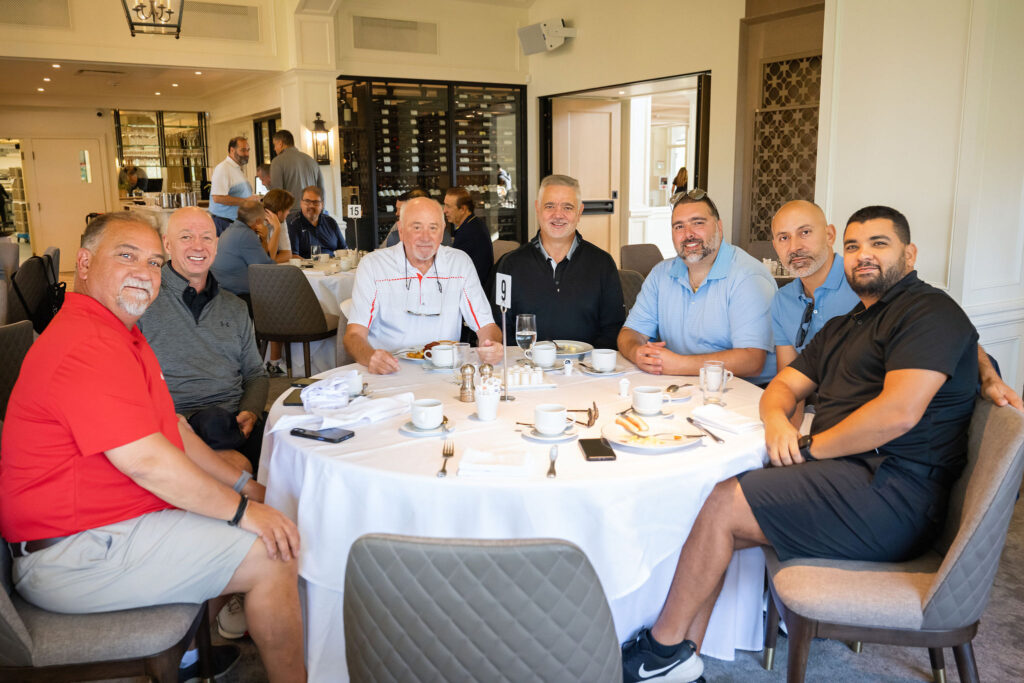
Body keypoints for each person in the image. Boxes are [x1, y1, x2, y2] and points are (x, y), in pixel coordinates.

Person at [620, 206, 981, 683]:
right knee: (720, 506)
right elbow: (783, 386)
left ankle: (661, 649)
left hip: (896, 495)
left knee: (722, 504)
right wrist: (777, 423)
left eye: (878, 244)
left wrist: (809, 447)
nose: (863, 255)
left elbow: (898, 414)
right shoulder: (849, 324)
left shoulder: (928, 311)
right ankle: (681, 659)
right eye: (853, 246)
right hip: (853, 478)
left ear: (909, 255)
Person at [0, 212, 306, 683]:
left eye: (154, 262)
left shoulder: (119, 333)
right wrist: (245, 512)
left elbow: (174, 432)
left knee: (257, 520)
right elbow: (147, 461)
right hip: (72, 552)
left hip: (107, 529)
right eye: (127, 256)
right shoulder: (86, 342)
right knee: (273, 553)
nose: (144, 272)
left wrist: (248, 488)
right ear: (85, 263)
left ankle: (185, 658)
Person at [771, 200, 1023, 424]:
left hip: (880, 421)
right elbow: (791, 380)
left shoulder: (868, 280)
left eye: (805, 232)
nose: (794, 247)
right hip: (826, 410)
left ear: (829, 235)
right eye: (783, 238)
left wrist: (989, 375)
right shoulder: (783, 300)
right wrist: (785, 437)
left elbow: (951, 332)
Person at [139, 207, 268, 472]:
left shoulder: (235, 307)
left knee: (298, 463)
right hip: (173, 427)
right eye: (186, 237)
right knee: (245, 474)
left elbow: (255, 373)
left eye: (206, 237)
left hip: (234, 422)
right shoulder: (143, 302)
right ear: (167, 244)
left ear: (216, 245)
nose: (198, 246)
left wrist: (251, 411)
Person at [618, 189, 777, 385]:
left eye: (698, 223)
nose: (688, 234)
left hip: (746, 390)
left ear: (719, 227)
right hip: (683, 385)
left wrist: (678, 364)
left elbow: (752, 361)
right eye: (679, 226)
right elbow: (630, 333)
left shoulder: (748, 277)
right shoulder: (660, 274)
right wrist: (637, 352)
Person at [343, 197, 503, 374]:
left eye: (433, 228)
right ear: (401, 230)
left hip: (445, 373)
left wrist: (492, 345)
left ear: (442, 231)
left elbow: (486, 326)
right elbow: (354, 335)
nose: (425, 237)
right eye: (417, 227)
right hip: (390, 373)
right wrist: (370, 357)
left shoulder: (460, 263)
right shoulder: (373, 265)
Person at [493, 174, 624, 349]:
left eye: (567, 207)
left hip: (586, 364)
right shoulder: (509, 265)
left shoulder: (603, 264)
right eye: (550, 206)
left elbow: (613, 329)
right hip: (527, 364)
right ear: (537, 208)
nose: (558, 215)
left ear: (580, 211)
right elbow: (500, 327)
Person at [211, 198, 275, 304]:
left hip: (222, 290)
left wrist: (263, 239)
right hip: (239, 295)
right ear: (258, 221)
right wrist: (276, 230)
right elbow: (265, 268)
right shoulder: (246, 235)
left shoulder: (229, 229)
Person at [444, 186, 493, 287]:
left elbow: (454, 270)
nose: (444, 210)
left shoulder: (468, 233)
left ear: (463, 209)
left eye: (448, 206)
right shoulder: (475, 223)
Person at [269, 129, 324, 217]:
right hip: (313, 212)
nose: (274, 149)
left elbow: (277, 194)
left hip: (292, 214)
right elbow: (321, 189)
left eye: (275, 145)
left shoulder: (277, 161)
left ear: (280, 143)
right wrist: (320, 212)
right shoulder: (311, 160)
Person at [209, 137, 258, 235]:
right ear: (232, 150)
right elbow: (218, 198)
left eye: (248, 150)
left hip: (236, 224)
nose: (247, 154)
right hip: (225, 224)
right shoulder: (223, 168)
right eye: (243, 150)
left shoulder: (236, 168)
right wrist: (246, 201)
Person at [286, 185, 346, 258]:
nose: (311, 206)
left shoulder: (331, 222)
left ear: (322, 205)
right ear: (301, 203)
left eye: (316, 202)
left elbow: (344, 249)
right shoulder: (293, 224)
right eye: (307, 201)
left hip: (333, 263)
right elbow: (294, 256)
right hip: (307, 264)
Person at [261, 188, 295, 263]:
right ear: (279, 213)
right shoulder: (256, 223)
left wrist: (270, 261)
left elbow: (287, 254)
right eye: (288, 210)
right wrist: (277, 228)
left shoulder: (280, 221)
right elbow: (266, 259)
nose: (289, 213)